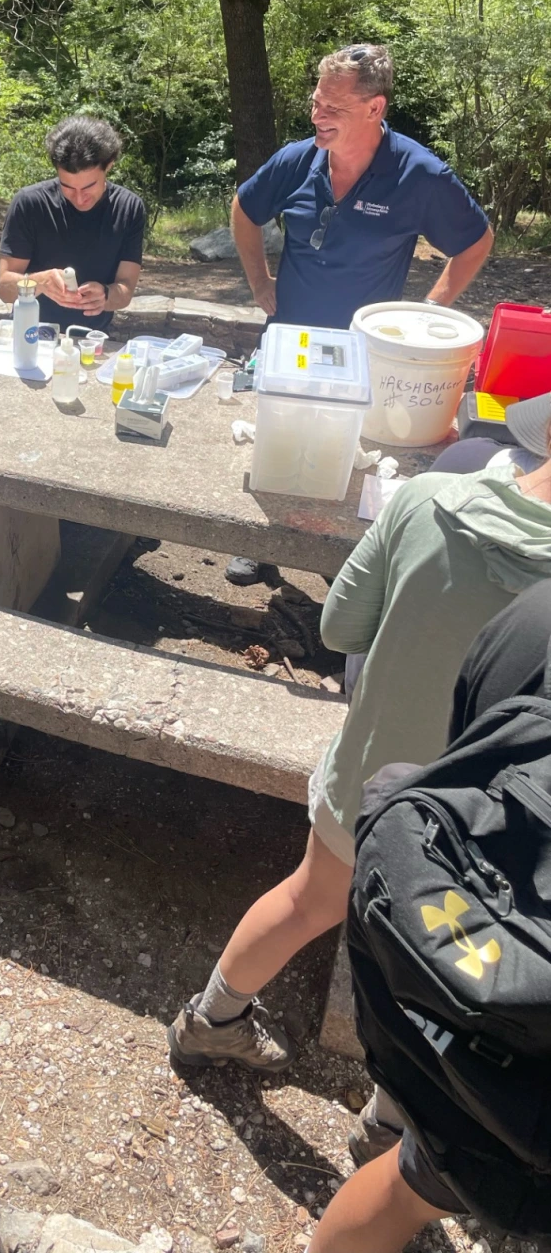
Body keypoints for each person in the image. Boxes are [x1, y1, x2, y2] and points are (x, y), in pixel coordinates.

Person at [167, 390, 551, 1146]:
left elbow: (341, 627)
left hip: (374, 776)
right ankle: (391, 1129)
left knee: (306, 900)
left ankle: (211, 1020)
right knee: (447, 977)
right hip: (497, 838)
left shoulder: (426, 498)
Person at [309, 578, 551, 1253]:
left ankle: (397, 1119)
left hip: (475, 1074)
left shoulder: (538, 615)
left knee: (413, 1180)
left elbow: (466, 770)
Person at [226, 41, 495, 587]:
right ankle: (265, 545)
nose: (317, 116)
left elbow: (476, 240)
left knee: (351, 457)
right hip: (292, 340)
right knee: (280, 443)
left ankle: (337, 563)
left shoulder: (418, 173)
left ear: (375, 108)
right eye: (316, 102)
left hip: (364, 352)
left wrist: (431, 309)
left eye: (334, 107)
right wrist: (259, 282)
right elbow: (244, 209)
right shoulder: (297, 160)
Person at [0, 116, 145, 335]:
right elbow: (4, 289)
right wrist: (40, 282)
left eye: (88, 187)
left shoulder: (129, 208)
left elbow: (125, 289)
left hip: (92, 340)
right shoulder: (29, 203)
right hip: (30, 334)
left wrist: (105, 295)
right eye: (67, 187)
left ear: (109, 165)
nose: (79, 198)